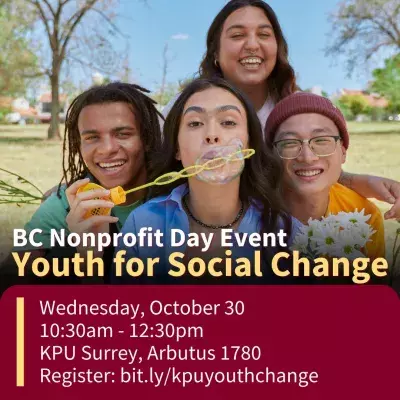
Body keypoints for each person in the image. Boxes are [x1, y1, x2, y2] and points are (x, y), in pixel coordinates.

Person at [162, 0, 400, 220]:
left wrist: (363, 181)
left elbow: (313, 168)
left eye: (264, 34)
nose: (252, 45)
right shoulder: (185, 107)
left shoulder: (295, 109)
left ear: (277, 48)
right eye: (237, 35)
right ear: (215, 52)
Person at [113, 77, 301, 283]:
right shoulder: (142, 224)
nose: (212, 135)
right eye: (195, 123)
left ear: (250, 142)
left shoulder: (288, 232)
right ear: (176, 148)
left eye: (228, 122)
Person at [1, 82, 163, 285]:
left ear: (146, 139)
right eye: (92, 137)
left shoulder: (176, 199)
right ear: (79, 145)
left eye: (123, 134)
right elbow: (10, 280)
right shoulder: (65, 202)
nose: (106, 149)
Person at [264, 92, 385, 260]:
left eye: (321, 140)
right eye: (290, 143)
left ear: (343, 152)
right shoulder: (251, 217)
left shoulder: (364, 215)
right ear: (272, 155)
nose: (307, 157)